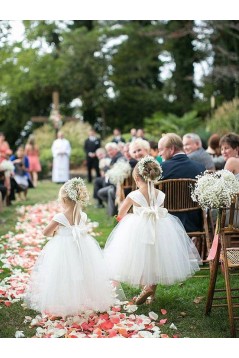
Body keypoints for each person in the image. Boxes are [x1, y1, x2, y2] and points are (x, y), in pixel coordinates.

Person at [104, 156, 201, 305]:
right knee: (156, 260)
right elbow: (160, 210)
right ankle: (151, 293)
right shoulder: (160, 194)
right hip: (159, 229)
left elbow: (121, 214)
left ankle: (145, 287)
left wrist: (121, 219)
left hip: (138, 231)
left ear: (136, 177)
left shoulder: (133, 195)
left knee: (141, 259)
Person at [24, 177, 120, 318]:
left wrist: (56, 232)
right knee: (83, 273)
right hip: (81, 246)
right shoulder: (83, 215)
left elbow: (45, 232)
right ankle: (88, 300)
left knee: (63, 275)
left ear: (64, 199)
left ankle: (64, 306)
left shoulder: (60, 216)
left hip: (63, 249)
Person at [158, 133, 206, 232]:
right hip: (195, 223)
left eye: (161, 149)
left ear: (171, 149)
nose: (159, 154)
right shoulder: (200, 167)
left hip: (168, 223)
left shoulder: (161, 168)